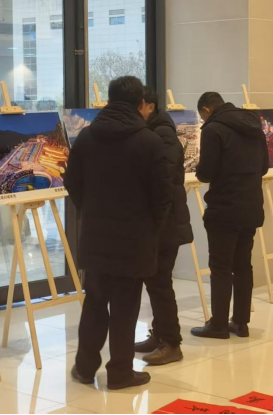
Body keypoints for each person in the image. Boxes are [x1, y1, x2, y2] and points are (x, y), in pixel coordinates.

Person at [65, 76, 173, 390]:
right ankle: (120, 372)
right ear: (141, 104)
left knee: (95, 303)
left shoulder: (87, 137)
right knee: (126, 307)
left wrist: (91, 210)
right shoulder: (150, 141)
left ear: (109, 101)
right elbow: (162, 195)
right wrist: (152, 227)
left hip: (96, 236)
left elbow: (73, 183)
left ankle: (85, 367)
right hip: (135, 239)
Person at [191, 92, 269, 340]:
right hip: (251, 206)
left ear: (206, 110)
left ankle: (218, 325)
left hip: (224, 208)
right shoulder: (254, 125)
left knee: (221, 267)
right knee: (243, 266)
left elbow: (206, 173)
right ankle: (241, 323)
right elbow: (264, 167)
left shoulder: (213, 129)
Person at [135, 88, 193, 365]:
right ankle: (159, 335)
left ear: (149, 106)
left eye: (137, 106)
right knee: (155, 282)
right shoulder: (155, 130)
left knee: (160, 283)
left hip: (166, 223)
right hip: (162, 221)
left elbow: (164, 178)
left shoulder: (163, 134)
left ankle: (171, 343)